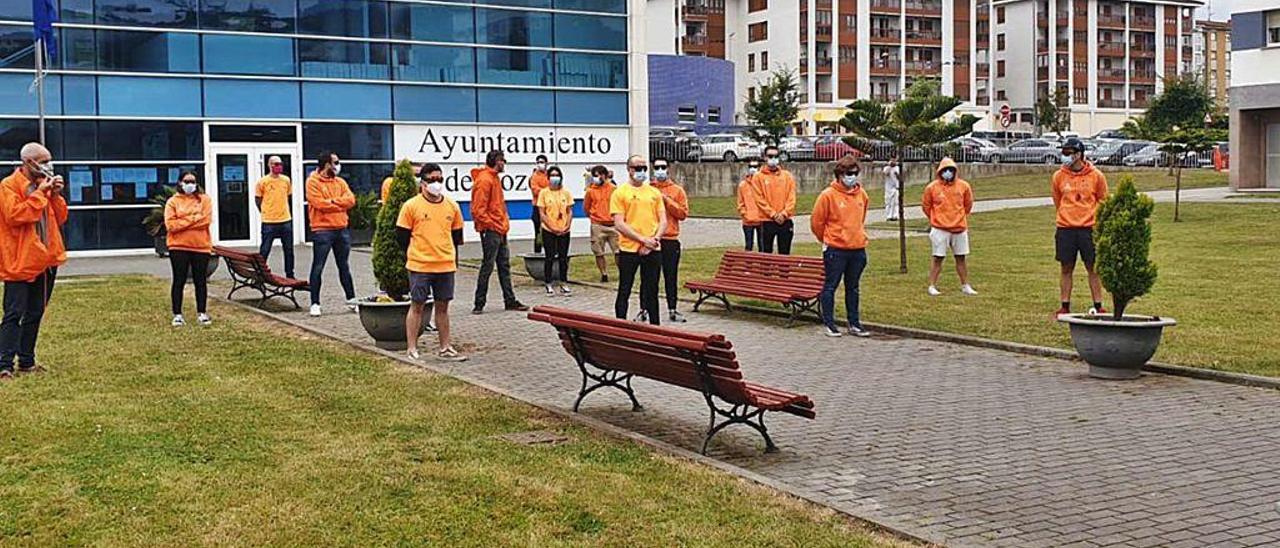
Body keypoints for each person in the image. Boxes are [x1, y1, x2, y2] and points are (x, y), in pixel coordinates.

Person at [0, 143, 68, 379]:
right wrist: (41, 193)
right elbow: (15, 216)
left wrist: (56, 195)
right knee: (13, 313)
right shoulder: (9, 186)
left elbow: (60, 218)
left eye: (50, 160)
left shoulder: (45, 186)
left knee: (36, 311)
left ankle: (26, 361)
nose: (49, 165)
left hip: (46, 260)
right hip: (20, 260)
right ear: (29, 162)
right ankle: (4, 364)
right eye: (44, 160)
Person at [397, 163, 467, 362]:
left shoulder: (452, 206)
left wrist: (454, 262)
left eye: (440, 179)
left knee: (443, 307)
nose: (436, 184)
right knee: (417, 305)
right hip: (420, 265)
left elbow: (456, 237)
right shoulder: (411, 206)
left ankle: (445, 347)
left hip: (445, 264)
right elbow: (402, 237)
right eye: (432, 180)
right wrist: (413, 256)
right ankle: (411, 348)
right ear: (423, 182)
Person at [810, 154, 872, 338]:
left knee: (853, 287)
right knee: (831, 286)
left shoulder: (862, 194)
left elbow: (861, 218)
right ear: (840, 174)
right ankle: (830, 323)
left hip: (857, 248)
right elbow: (817, 223)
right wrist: (828, 240)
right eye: (848, 173)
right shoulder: (827, 195)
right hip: (836, 249)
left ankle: (854, 323)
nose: (852, 177)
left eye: (855, 173)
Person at [1053, 137, 1109, 317]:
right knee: (1066, 268)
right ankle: (1065, 305)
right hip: (1066, 228)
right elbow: (1058, 200)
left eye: (1068, 153)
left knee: (1093, 267)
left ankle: (1098, 305)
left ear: (1079, 154)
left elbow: (1103, 200)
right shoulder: (1058, 176)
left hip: (1089, 228)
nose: (1065, 157)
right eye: (1064, 153)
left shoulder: (1096, 176)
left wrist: (1094, 220)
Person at [611, 155, 666, 325]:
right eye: (637, 168)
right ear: (629, 170)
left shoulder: (654, 192)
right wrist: (642, 240)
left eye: (644, 168)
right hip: (629, 249)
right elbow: (619, 223)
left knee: (652, 289)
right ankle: (620, 325)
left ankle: (655, 327)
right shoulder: (620, 192)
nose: (641, 171)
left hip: (652, 248)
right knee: (625, 288)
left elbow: (663, 220)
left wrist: (654, 240)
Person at [470, 150, 527, 314]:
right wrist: (494, 225)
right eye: (502, 161)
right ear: (497, 161)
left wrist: (502, 223)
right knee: (488, 266)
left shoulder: (493, 179)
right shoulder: (485, 180)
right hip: (491, 230)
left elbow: (497, 206)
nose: (504, 164)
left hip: (499, 228)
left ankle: (509, 300)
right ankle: (479, 303)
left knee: (504, 266)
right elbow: (478, 210)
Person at [306, 151, 357, 317]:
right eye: (335, 162)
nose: (337, 165)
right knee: (318, 266)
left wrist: (333, 203)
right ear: (327, 164)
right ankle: (315, 303)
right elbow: (318, 204)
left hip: (341, 228)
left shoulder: (340, 182)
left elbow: (351, 200)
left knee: (344, 266)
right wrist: (339, 204)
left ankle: (351, 300)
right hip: (322, 230)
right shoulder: (312, 182)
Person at [921, 157, 977, 297]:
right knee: (938, 258)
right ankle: (932, 285)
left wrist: (959, 217)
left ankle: (965, 285)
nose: (948, 172)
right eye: (945, 170)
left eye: (951, 170)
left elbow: (968, 205)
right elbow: (926, 206)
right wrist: (936, 219)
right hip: (940, 229)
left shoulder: (963, 186)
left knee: (961, 258)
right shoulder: (932, 188)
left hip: (959, 228)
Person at [165, 171, 214, 327]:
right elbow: (171, 225)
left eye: (193, 181)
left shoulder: (204, 200)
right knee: (179, 280)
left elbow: (206, 220)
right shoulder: (172, 202)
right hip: (178, 247)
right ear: (180, 182)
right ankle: (177, 314)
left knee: (201, 281)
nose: (190, 184)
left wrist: (184, 220)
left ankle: (202, 312)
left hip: (201, 246)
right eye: (186, 181)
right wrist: (194, 218)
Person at [651, 158, 689, 323]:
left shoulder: (677, 190)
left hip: (670, 239)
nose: (660, 170)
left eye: (663, 167)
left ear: (668, 169)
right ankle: (645, 308)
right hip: (651, 239)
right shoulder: (648, 189)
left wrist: (666, 200)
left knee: (670, 276)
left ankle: (672, 308)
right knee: (650, 277)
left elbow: (682, 214)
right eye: (657, 167)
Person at [751, 145, 798, 254]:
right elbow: (759, 199)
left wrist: (784, 214)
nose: (773, 159)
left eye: (776, 156)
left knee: (785, 254)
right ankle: (766, 272)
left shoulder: (787, 176)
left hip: (785, 220)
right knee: (766, 255)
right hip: (766, 221)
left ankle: (783, 272)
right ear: (764, 157)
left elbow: (791, 198)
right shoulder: (758, 177)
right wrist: (773, 214)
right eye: (770, 156)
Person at [255, 155, 295, 278]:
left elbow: (288, 195)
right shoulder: (263, 181)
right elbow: (258, 199)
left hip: (285, 220)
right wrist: (265, 211)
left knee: (288, 250)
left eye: (280, 164)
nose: (279, 166)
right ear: (269, 165)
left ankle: (290, 274)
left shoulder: (286, 180)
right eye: (276, 164)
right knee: (265, 250)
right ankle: (260, 274)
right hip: (269, 221)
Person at [536, 165, 573, 295]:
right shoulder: (544, 193)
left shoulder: (566, 193)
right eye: (552, 175)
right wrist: (551, 227)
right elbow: (542, 213)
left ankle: (564, 282)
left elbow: (569, 211)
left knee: (563, 257)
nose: (555, 178)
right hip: (549, 230)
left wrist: (567, 226)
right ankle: (548, 282)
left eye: (557, 175)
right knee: (549, 257)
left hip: (564, 230)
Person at [582, 165, 619, 283]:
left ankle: (622, 272)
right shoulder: (590, 191)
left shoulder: (613, 189)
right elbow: (586, 208)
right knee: (598, 252)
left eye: (598, 175)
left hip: (613, 225)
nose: (596, 178)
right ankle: (604, 274)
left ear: (604, 175)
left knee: (619, 251)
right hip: (597, 225)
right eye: (594, 175)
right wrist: (594, 218)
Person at [737, 159, 764, 251]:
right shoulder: (743, 185)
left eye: (755, 167)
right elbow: (740, 203)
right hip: (748, 221)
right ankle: (748, 264)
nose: (753, 169)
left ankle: (762, 264)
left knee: (763, 246)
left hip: (761, 220)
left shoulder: (763, 184)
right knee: (748, 245)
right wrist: (745, 214)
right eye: (751, 167)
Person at [529, 154, 551, 253]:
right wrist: (547, 191)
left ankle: (550, 252)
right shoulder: (534, 176)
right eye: (538, 162)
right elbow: (535, 190)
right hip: (537, 208)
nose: (540, 164)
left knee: (550, 232)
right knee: (538, 233)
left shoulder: (550, 175)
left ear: (546, 163)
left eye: (542, 162)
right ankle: (537, 253)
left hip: (550, 208)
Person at [883, 153, 902, 221]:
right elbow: (886, 173)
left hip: (896, 187)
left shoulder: (898, 168)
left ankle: (895, 215)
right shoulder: (887, 168)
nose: (893, 161)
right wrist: (890, 166)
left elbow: (900, 178)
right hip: (888, 188)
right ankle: (888, 216)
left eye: (895, 159)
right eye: (892, 159)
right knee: (888, 202)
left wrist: (897, 175)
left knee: (896, 202)